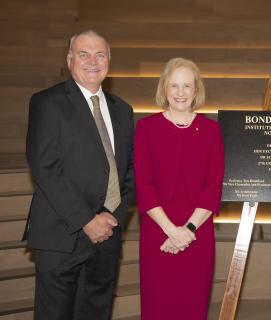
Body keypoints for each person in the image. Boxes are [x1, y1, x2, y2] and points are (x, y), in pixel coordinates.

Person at [24, 30, 135, 320]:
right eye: (84, 54)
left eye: (100, 55)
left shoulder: (122, 110)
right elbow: (45, 168)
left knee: (96, 313)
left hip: (107, 236)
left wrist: (112, 217)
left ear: (109, 61)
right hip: (62, 235)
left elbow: (129, 171)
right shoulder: (47, 103)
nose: (93, 61)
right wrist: (87, 220)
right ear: (70, 60)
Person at [134, 57, 224, 319]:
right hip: (157, 233)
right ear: (164, 89)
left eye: (187, 86)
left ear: (196, 90)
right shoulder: (146, 128)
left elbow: (213, 186)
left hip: (197, 233)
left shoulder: (211, 131)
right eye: (174, 86)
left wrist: (187, 231)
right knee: (157, 305)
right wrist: (171, 230)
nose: (181, 93)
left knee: (193, 306)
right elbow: (144, 184)